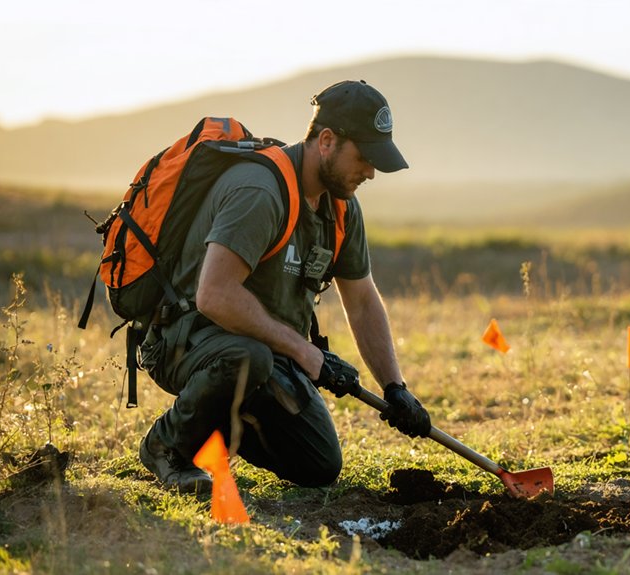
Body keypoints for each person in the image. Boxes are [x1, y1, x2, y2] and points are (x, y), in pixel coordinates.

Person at [137, 80, 431, 493]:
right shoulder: (261, 191)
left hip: (262, 351)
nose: (370, 172)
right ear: (326, 141)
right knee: (248, 358)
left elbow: (362, 301)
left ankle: (212, 434)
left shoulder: (341, 205)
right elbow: (214, 295)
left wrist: (395, 389)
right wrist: (304, 351)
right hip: (185, 340)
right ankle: (167, 447)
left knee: (319, 465)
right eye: (364, 158)